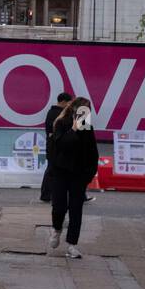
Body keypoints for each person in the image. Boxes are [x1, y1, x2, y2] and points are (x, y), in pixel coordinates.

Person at [48, 96, 100, 259]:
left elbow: (92, 152)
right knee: (59, 206)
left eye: (87, 111)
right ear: (74, 110)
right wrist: (74, 129)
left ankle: (72, 244)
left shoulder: (87, 128)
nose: (85, 114)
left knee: (76, 209)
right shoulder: (61, 123)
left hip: (78, 174)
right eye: (82, 111)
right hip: (61, 172)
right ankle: (57, 229)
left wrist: (89, 174)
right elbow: (61, 145)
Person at [40, 92, 72, 203]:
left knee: (54, 171)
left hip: (56, 146)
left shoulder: (55, 112)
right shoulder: (56, 113)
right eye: (68, 103)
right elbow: (52, 131)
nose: (69, 106)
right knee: (51, 171)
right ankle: (46, 195)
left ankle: (48, 194)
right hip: (55, 147)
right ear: (63, 102)